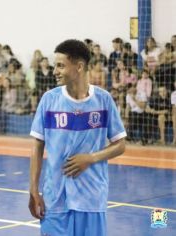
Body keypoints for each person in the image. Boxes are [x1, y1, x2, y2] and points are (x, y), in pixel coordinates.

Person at [29, 39, 126, 236]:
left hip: (91, 198)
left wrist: (90, 158)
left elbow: (120, 144)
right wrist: (33, 190)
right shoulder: (49, 100)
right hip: (55, 197)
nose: (55, 71)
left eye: (60, 65)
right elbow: (37, 146)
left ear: (79, 66)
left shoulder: (103, 100)